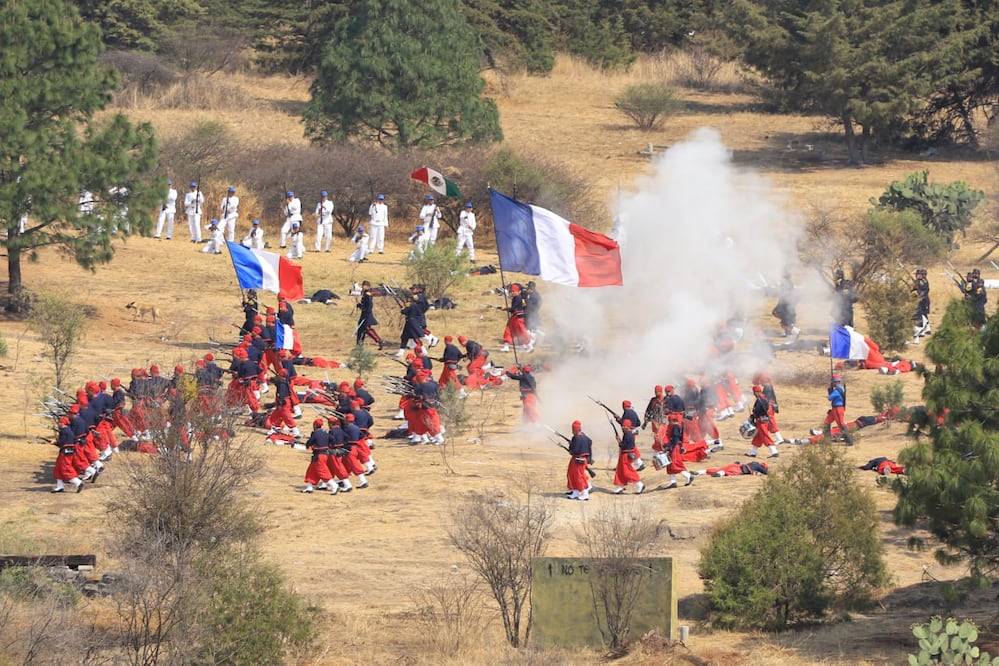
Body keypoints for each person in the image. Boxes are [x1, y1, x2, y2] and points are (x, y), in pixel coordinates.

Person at [746, 384, 779, 458]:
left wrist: (753, 416)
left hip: (762, 421)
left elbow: (757, 410)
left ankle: (774, 451)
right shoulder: (764, 399)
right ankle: (753, 452)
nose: (754, 394)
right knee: (758, 437)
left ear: (757, 392)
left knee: (765, 436)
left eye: (754, 392)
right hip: (764, 420)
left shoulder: (760, 400)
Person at [613, 419, 645, 494]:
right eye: (623, 426)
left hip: (626, 455)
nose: (623, 427)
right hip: (625, 455)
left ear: (628, 426)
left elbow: (623, 446)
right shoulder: (628, 434)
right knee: (620, 471)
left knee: (627, 471)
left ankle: (639, 484)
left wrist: (618, 441)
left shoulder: (628, 435)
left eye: (625, 426)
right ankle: (619, 486)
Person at [301, 419, 333, 493]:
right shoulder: (325, 432)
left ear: (315, 425)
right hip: (324, 454)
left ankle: (334, 485)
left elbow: (310, 441)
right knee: (311, 471)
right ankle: (309, 487)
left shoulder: (315, 433)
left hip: (319, 455)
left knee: (322, 471)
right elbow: (332, 439)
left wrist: (307, 445)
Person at [663, 413, 694, 488]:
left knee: (675, 464)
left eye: (669, 421)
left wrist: (669, 447)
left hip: (675, 447)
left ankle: (688, 476)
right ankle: (672, 481)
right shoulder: (678, 426)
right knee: (670, 464)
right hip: (675, 446)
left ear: (672, 421)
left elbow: (675, 439)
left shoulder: (676, 427)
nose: (669, 423)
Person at [501, 283, 533, 353]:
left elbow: (513, 309)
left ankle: (530, 345)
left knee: (521, 332)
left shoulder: (518, 298)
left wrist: (506, 309)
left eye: (513, 291)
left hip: (518, 318)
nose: (511, 293)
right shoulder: (515, 298)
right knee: (508, 330)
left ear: (517, 291)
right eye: (511, 291)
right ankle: (506, 346)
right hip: (514, 317)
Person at [823, 375, 853, 445]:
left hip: (838, 409)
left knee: (841, 424)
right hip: (835, 409)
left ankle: (849, 441)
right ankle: (827, 439)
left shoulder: (838, 390)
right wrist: (830, 389)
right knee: (826, 422)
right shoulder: (839, 388)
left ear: (835, 382)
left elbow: (830, 398)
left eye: (833, 382)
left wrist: (829, 394)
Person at [566, 420, 592, 501]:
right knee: (573, 475)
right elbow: (589, 444)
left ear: (575, 430)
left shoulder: (576, 438)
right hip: (583, 459)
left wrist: (571, 445)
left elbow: (574, 451)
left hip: (578, 459)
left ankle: (584, 493)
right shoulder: (585, 437)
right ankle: (575, 492)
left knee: (578, 477)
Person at [355, 280, 383, 349]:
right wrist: (360, 306)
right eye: (362, 285)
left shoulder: (368, 294)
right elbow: (364, 305)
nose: (363, 287)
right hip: (364, 314)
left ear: (368, 286)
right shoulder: (364, 293)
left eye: (364, 286)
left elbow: (370, 305)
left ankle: (379, 341)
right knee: (360, 330)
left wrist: (365, 311)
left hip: (367, 315)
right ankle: (359, 346)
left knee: (367, 329)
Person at [772, 272, 800, 338]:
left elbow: (785, 293)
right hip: (786, 303)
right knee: (784, 319)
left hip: (785, 303)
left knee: (783, 321)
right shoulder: (789, 283)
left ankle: (796, 331)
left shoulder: (786, 283)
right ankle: (788, 333)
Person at [911, 267, 931, 344]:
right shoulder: (918, 281)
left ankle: (925, 329)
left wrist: (919, 294)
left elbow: (924, 290)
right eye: (917, 274)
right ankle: (924, 329)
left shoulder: (924, 282)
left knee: (923, 314)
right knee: (920, 314)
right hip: (919, 300)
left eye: (919, 274)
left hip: (924, 300)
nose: (917, 276)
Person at [697, 461, 769, 477]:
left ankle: (700, 472)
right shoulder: (759, 467)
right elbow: (765, 472)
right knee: (726, 472)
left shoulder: (754, 463)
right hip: (740, 470)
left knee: (719, 468)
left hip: (736, 465)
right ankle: (719, 474)